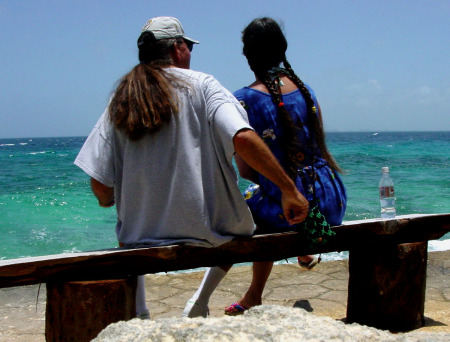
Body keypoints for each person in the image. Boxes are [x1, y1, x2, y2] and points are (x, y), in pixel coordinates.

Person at [74, 16, 309, 320]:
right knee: (247, 218)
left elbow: (100, 184)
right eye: (189, 47)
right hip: (211, 234)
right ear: (178, 48)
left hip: (140, 241)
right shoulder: (204, 85)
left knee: (129, 226)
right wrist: (289, 190)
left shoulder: (122, 98)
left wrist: (110, 202)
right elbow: (242, 137)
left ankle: (140, 310)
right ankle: (199, 302)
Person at [183, 17, 346, 318]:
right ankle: (259, 290)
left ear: (248, 55)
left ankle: (199, 300)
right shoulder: (306, 90)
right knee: (263, 204)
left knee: (238, 215)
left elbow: (246, 171)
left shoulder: (243, 100)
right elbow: (319, 149)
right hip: (331, 201)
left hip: (293, 210)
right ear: (283, 49)